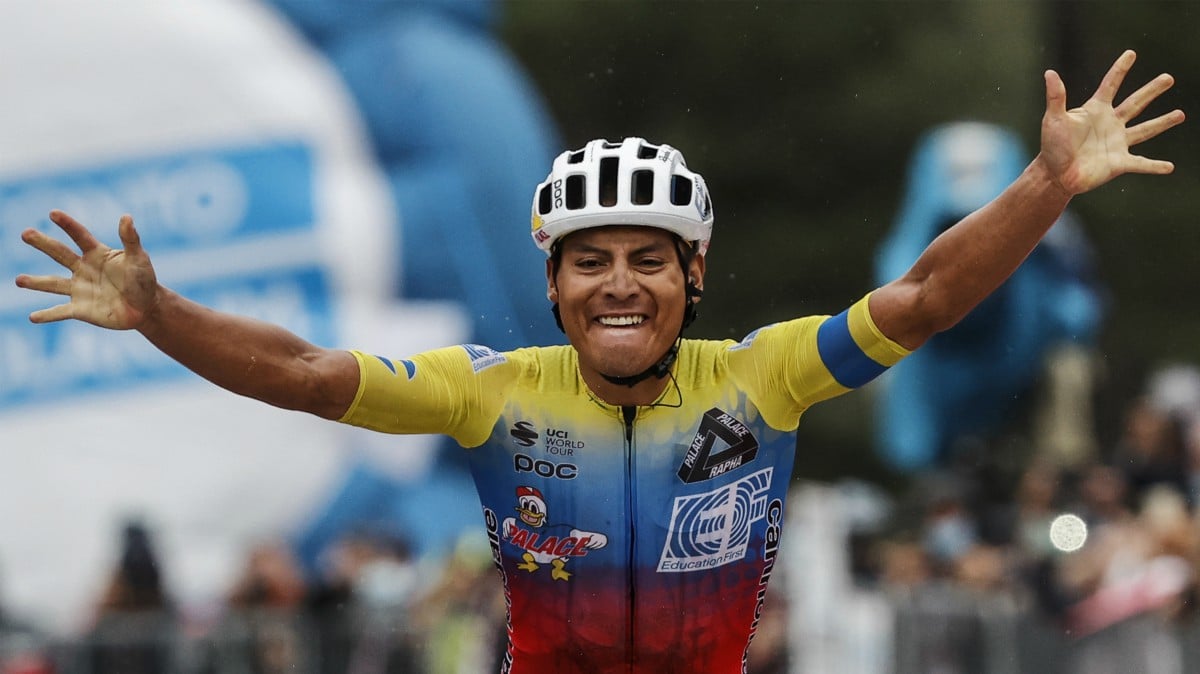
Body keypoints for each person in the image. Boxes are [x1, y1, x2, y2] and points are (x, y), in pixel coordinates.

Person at [13, 51, 1183, 672]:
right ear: (552, 283)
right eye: (589, 262)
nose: (618, 281)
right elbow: (311, 371)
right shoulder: (489, 389)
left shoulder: (765, 373)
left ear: (696, 277)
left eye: (647, 258)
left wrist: (1043, 187)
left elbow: (925, 298)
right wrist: (161, 311)